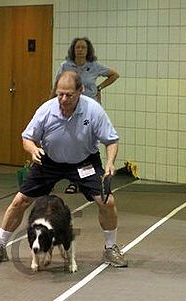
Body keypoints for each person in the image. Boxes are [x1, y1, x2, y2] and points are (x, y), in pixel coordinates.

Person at [0, 70, 127, 268]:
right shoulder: (46, 110)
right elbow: (27, 138)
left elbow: (111, 140)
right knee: (19, 201)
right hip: (49, 160)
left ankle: (110, 249)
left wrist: (110, 162)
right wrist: (33, 150)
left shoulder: (93, 110)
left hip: (84, 162)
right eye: (60, 94)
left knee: (107, 202)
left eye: (69, 95)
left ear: (80, 91)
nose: (63, 99)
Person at [53, 37, 119, 194]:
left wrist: (99, 88)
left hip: (89, 111)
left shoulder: (94, 66)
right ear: (73, 50)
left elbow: (114, 75)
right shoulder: (65, 66)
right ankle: (73, 181)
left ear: (88, 50)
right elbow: (56, 84)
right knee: (72, 142)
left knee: (88, 144)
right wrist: (51, 103)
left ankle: (90, 178)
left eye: (83, 47)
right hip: (69, 109)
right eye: (77, 47)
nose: (80, 50)